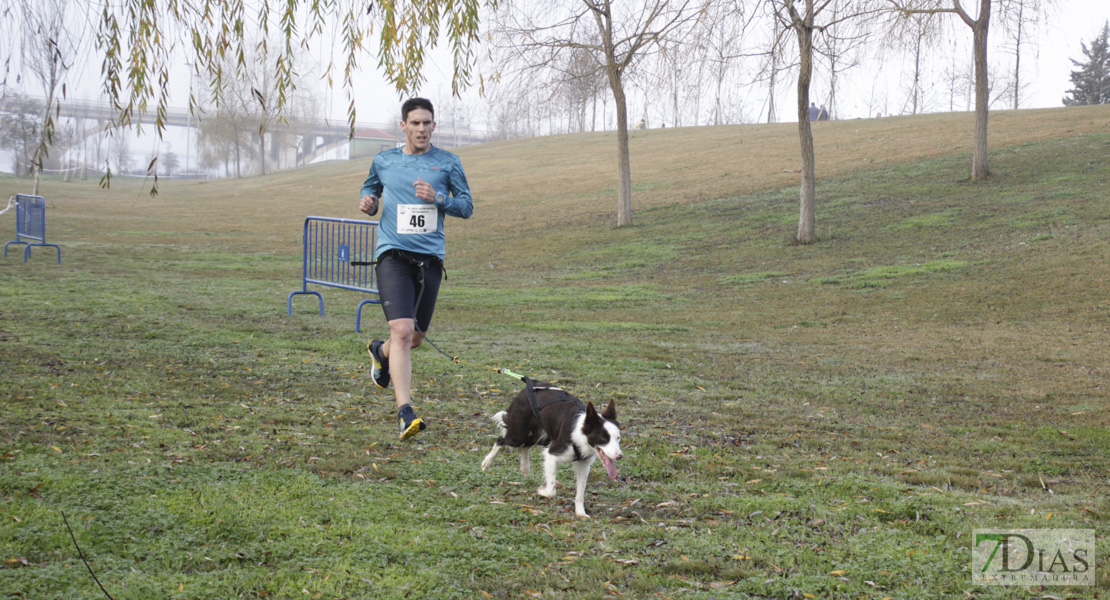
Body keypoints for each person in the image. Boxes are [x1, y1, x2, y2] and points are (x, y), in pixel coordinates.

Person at [358, 97, 474, 440]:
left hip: (430, 261)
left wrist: (438, 199)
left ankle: (380, 352)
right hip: (393, 255)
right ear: (403, 126)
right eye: (415, 123)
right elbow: (370, 188)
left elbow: (467, 207)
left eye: (427, 123)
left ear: (434, 126)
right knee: (403, 331)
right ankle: (405, 411)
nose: (421, 129)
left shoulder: (448, 163)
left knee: (415, 338)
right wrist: (369, 201)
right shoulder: (384, 160)